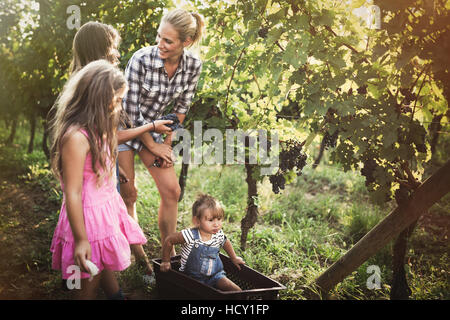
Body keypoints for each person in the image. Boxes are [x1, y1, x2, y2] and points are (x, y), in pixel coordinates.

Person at [53, 21, 171, 278]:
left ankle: (117, 275)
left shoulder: (96, 81)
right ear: (100, 48)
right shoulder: (96, 87)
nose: (117, 53)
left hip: (102, 170)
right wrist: (148, 131)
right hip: (94, 177)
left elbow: (105, 138)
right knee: (99, 229)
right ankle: (130, 268)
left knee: (108, 225)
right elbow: (105, 137)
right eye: (112, 47)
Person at [49, 60, 148, 299]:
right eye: (117, 100)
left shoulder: (98, 127)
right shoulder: (75, 137)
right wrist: (82, 239)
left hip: (105, 206)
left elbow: (101, 157)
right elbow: (72, 192)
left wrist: (113, 170)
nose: (119, 106)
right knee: (89, 281)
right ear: (98, 99)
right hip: (87, 216)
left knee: (101, 264)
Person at [118, 9, 204, 258]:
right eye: (159, 37)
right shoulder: (141, 59)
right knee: (129, 194)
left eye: (168, 41)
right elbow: (130, 109)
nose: (160, 45)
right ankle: (138, 258)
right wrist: (152, 145)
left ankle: (170, 252)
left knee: (172, 191)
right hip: (124, 128)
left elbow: (180, 109)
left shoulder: (193, 66)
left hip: (155, 129)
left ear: (185, 42)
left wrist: (166, 144)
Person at [160, 194, 245, 291]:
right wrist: (166, 261)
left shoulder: (218, 235)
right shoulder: (190, 235)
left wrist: (233, 258)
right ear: (197, 221)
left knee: (236, 290)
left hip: (215, 275)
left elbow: (225, 242)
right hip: (191, 279)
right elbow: (169, 240)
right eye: (211, 220)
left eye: (219, 219)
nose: (216, 224)